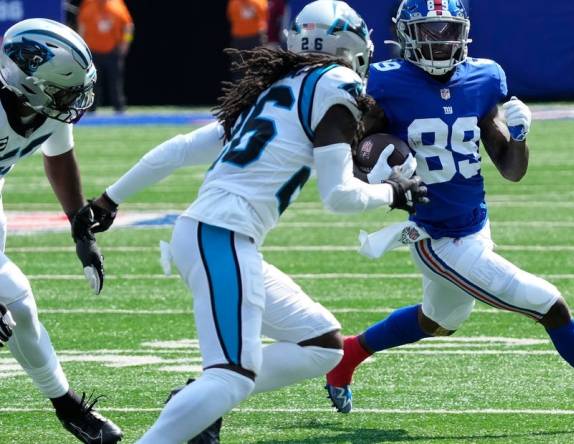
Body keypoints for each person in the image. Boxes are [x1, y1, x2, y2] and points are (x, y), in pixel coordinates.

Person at [324, 0, 574, 430]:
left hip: (476, 224)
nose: (440, 41)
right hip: (435, 235)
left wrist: (519, 136)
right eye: (429, 30)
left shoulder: (483, 77)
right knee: (549, 305)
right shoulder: (384, 83)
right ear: (405, 34)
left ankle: (347, 355)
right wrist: (379, 167)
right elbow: (355, 156)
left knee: (438, 320)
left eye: (448, 30)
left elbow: (512, 169)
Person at [88, 2, 427, 442]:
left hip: (215, 235)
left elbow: (181, 148)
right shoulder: (337, 83)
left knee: (322, 344)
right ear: (349, 45)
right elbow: (339, 196)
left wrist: (110, 198)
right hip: (222, 234)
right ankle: (200, 402)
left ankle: (197, 400)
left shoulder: (274, 89)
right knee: (231, 376)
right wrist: (394, 192)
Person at [0, 18, 122, 443]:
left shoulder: (42, 104)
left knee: (19, 309)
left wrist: (80, 229)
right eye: (66, 91)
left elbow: (58, 153)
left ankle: (68, 408)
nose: (77, 101)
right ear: (26, 81)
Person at [77, 0, 133, 113]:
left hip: (112, 51)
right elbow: (81, 27)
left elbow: (129, 26)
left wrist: (125, 44)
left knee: (115, 82)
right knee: (92, 82)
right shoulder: (88, 4)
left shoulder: (118, 4)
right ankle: (91, 108)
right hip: (93, 52)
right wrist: (82, 47)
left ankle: (120, 108)